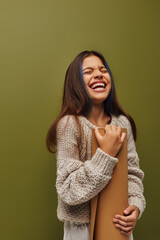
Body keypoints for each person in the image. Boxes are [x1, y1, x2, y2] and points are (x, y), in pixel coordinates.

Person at [46, 50, 146, 240]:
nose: (98, 74)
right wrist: (106, 154)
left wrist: (135, 206)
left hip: (119, 224)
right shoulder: (69, 124)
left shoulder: (123, 123)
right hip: (81, 230)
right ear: (75, 83)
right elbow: (68, 190)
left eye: (103, 69)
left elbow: (132, 174)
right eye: (88, 71)